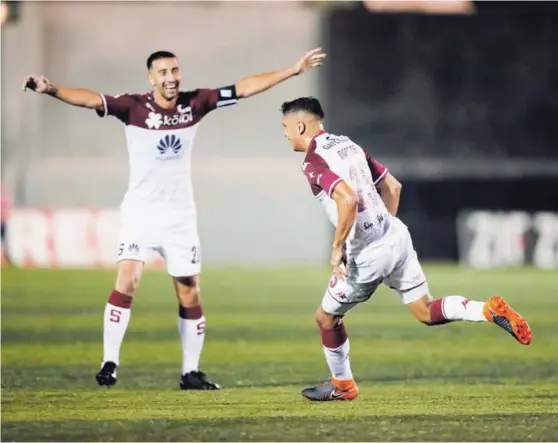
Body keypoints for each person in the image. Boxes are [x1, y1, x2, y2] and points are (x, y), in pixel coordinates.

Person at [22, 48, 327, 390]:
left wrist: (293, 70)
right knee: (128, 279)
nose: (171, 78)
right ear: (151, 78)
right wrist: (51, 90)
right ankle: (109, 362)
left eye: (175, 70)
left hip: (180, 216)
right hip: (140, 212)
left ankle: (190, 372)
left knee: (189, 292)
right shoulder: (132, 107)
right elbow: (92, 99)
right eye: (163, 72)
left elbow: (242, 88)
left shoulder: (194, 103)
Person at [279, 97, 532, 402]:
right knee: (425, 311)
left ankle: (343, 385)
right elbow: (393, 186)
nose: (285, 134)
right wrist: (382, 230)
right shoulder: (348, 145)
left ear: (301, 125)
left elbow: (347, 200)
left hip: (366, 255)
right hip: (395, 236)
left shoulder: (313, 160)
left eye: (285, 127)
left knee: (326, 318)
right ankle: (486, 310)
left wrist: (337, 249)